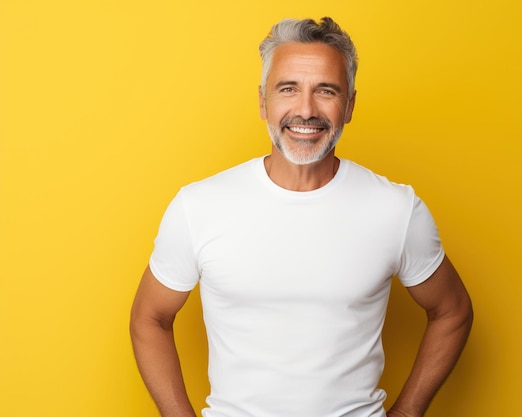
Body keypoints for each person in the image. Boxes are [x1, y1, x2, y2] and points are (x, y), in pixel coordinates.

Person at [130, 17, 473, 417]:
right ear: (263, 101)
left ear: (349, 105)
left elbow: (453, 311)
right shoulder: (199, 205)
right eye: (288, 89)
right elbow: (149, 317)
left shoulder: (396, 209)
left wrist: (409, 410)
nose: (306, 110)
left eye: (326, 91)